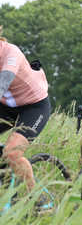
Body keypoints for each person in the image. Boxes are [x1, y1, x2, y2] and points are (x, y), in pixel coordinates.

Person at [0, 28, 52, 209]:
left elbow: (3, 83)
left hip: (34, 107)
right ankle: (7, 186)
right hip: (6, 107)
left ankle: (38, 199)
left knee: (12, 152)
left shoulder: (11, 53)